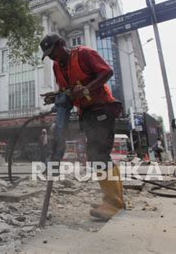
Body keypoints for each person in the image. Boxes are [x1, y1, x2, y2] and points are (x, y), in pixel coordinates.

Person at [40, 33, 124, 221]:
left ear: (62, 44)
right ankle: (115, 201)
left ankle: (113, 204)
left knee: (99, 154)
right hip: (85, 112)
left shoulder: (84, 54)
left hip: (102, 107)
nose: (52, 57)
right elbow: (66, 90)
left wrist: (87, 88)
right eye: (49, 55)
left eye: (53, 52)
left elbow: (107, 72)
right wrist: (55, 95)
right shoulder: (56, 66)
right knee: (98, 155)